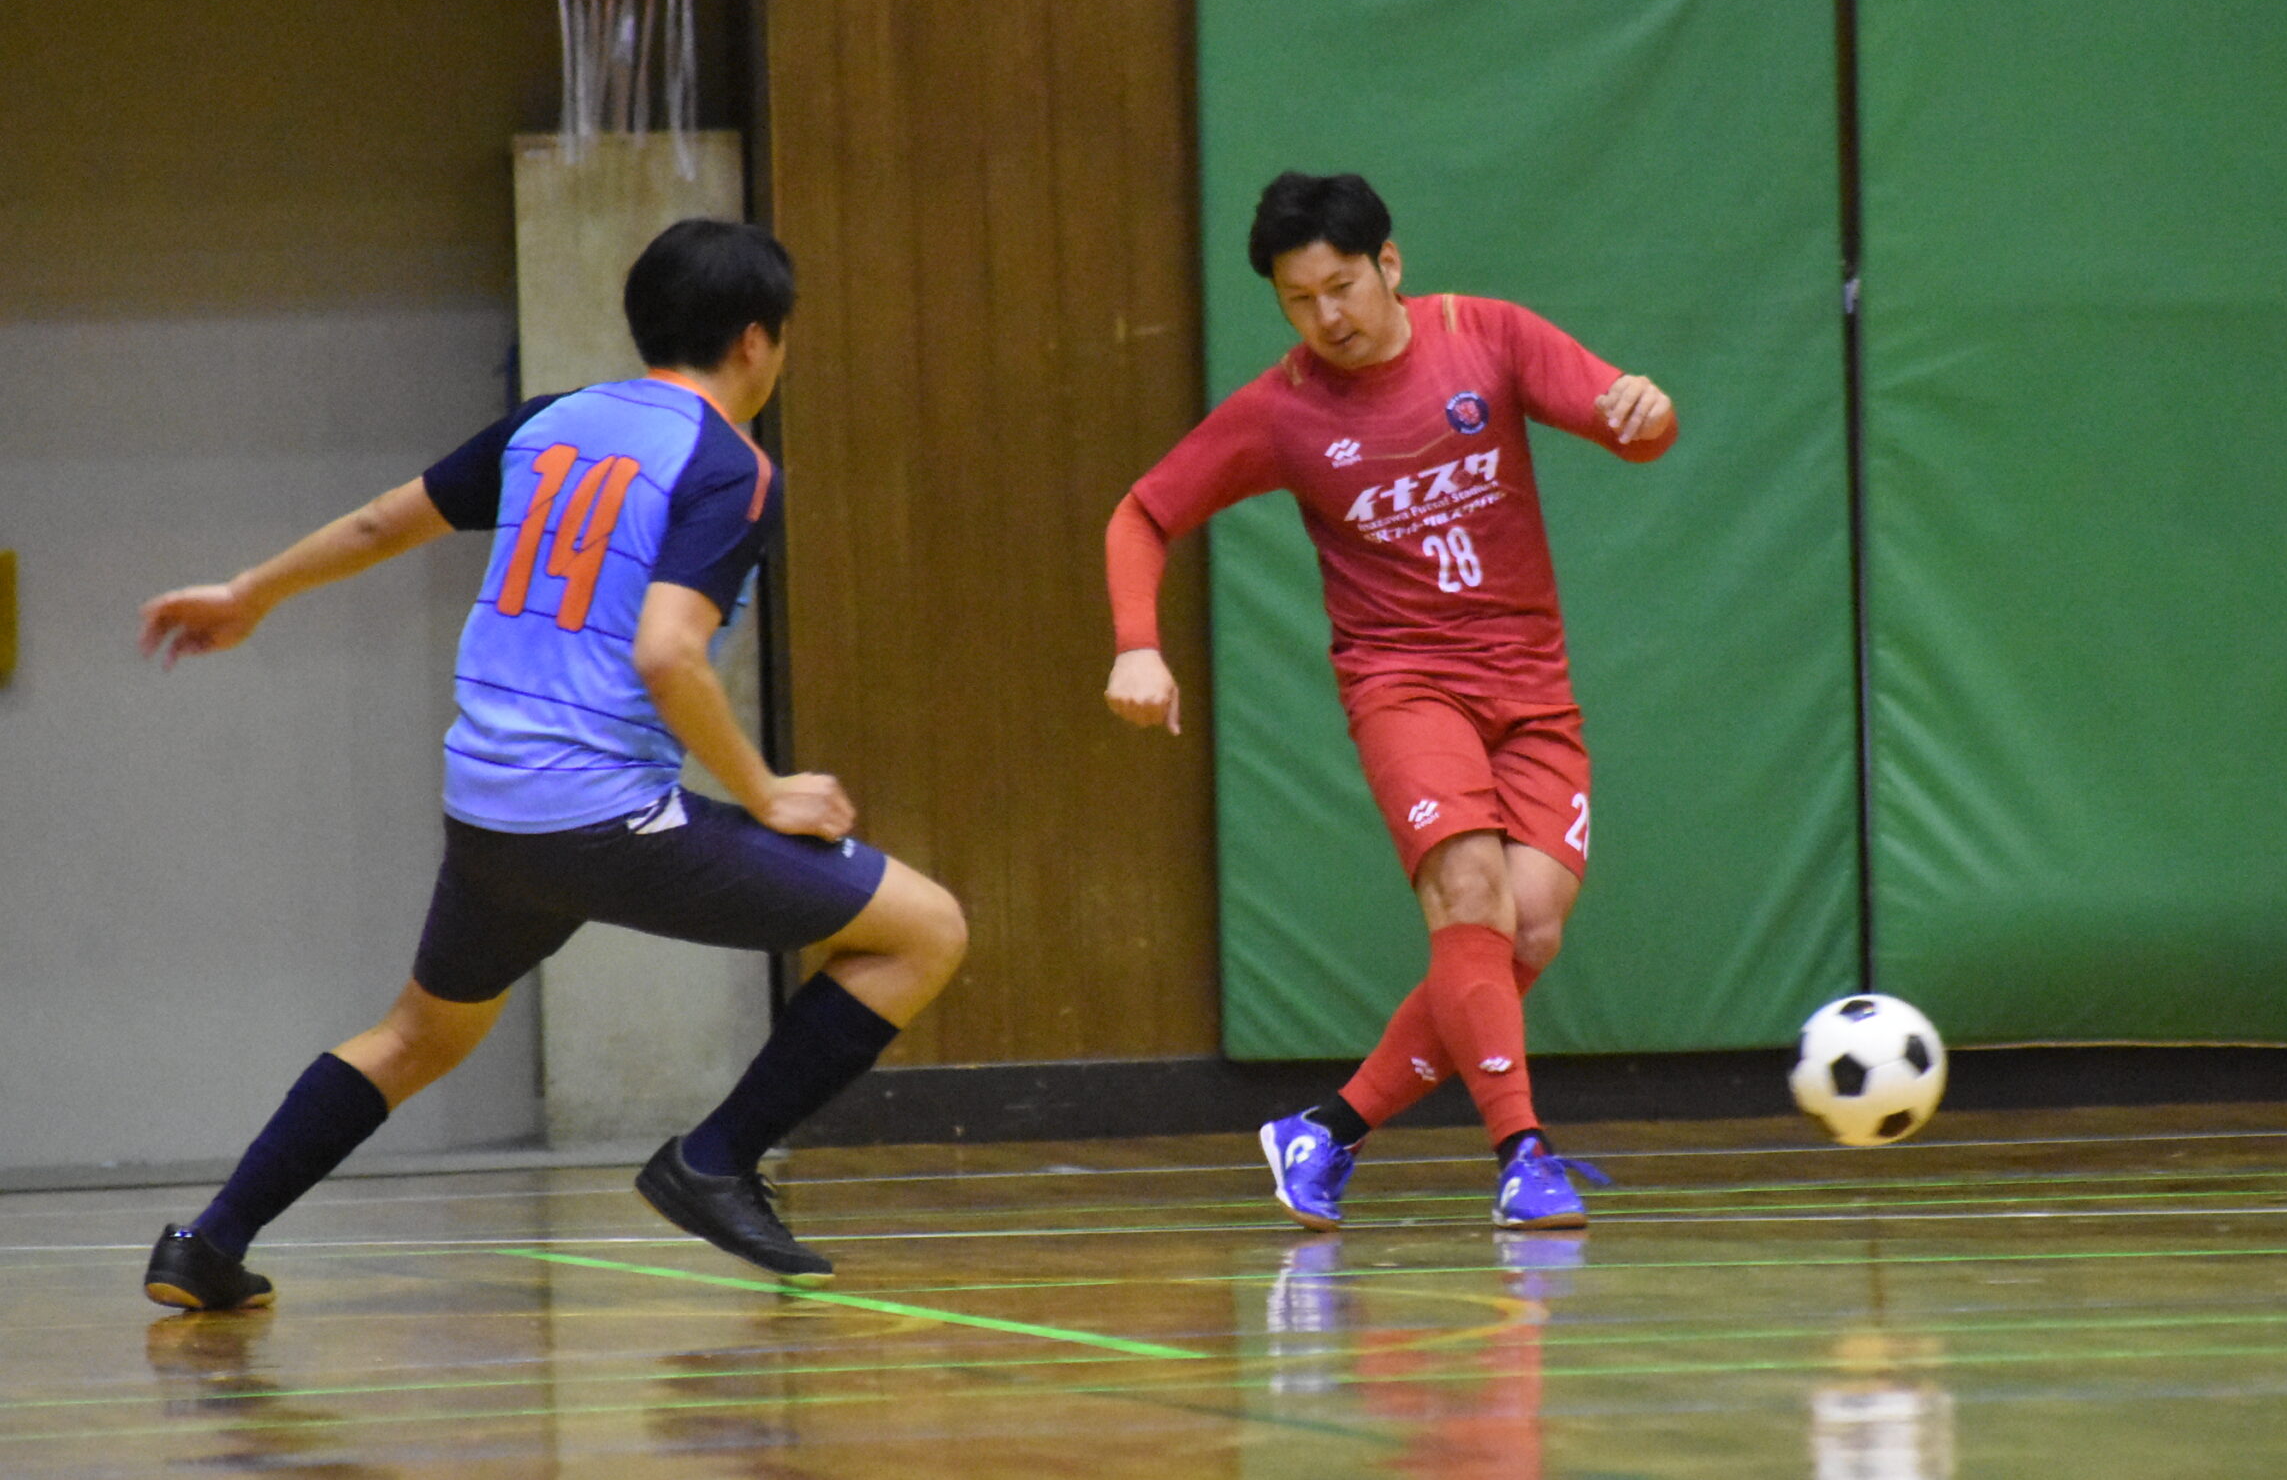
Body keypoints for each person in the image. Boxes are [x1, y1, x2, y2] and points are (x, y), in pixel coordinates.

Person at [137, 219, 967, 1311]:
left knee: (420, 1034)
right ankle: (714, 1161)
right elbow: (668, 653)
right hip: (597, 817)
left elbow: (385, 522)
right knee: (924, 930)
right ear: (757, 340)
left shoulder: (552, 421)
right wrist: (766, 792)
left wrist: (251, 593)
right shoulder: (731, 466)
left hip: (490, 812)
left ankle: (209, 1242)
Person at [1102, 172, 1676, 1230]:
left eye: (1341, 287)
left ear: (1390, 264)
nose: (1327, 317)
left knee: (1528, 930)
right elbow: (1142, 513)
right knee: (1470, 894)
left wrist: (1645, 411)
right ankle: (1522, 1155)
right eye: (1298, 300)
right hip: (1403, 681)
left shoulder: (1487, 337)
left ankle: (1326, 1128)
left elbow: (1631, 425)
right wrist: (1139, 646)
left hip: (1530, 685)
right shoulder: (1281, 411)